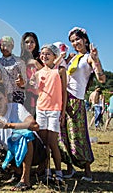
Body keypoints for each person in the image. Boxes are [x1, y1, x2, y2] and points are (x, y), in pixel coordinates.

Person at [58, 27, 106, 182]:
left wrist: (96, 59)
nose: (75, 43)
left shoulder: (89, 58)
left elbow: (102, 79)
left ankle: (87, 172)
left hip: (76, 101)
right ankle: (69, 168)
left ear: (85, 39)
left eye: (77, 39)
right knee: (63, 134)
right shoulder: (71, 57)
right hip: (64, 98)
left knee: (78, 135)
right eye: (72, 41)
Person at [0, 84, 39, 191]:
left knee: (24, 136)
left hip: (34, 150)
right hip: (11, 152)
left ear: (6, 98)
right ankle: (14, 171)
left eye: (0, 99)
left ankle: (25, 180)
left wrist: (8, 125)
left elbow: (35, 126)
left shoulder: (17, 107)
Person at [31, 44, 67, 183]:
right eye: (42, 54)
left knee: (53, 143)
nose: (44, 56)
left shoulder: (60, 71)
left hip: (54, 111)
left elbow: (64, 93)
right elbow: (33, 90)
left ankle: (59, 172)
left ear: (55, 56)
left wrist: (62, 113)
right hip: (41, 110)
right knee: (44, 143)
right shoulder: (38, 73)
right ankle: (46, 171)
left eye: (48, 54)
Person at [0, 36, 26, 104]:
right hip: (1, 96)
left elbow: (25, 82)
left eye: (8, 45)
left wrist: (22, 82)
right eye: (3, 45)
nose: (5, 48)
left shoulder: (19, 62)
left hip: (17, 95)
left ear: (12, 46)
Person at [20, 32, 43, 116]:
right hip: (26, 97)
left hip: (41, 96)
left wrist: (36, 63)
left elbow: (48, 73)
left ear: (36, 44)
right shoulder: (20, 60)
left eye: (32, 42)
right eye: (26, 42)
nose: (29, 44)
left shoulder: (41, 57)